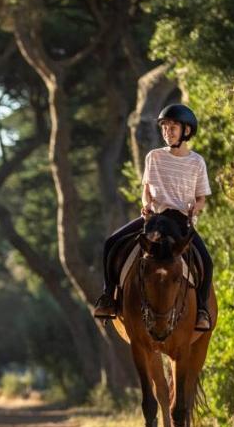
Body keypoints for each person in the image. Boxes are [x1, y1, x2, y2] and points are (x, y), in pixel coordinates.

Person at [92, 103, 214, 331]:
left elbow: (201, 200)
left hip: (180, 222)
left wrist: (193, 210)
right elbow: (146, 189)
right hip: (155, 218)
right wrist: (146, 203)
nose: (167, 131)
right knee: (111, 243)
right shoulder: (154, 157)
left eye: (173, 127)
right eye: (164, 127)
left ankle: (202, 310)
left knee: (206, 261)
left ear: (187, 131)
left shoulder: (197, 162)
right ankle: (109, 297)